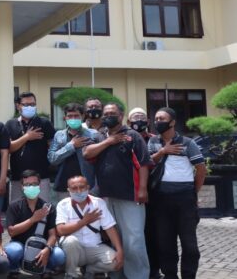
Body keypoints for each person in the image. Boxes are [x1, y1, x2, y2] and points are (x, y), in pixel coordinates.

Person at [83, 102, 152, 279]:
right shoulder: (99, 136)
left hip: (130, 196)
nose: (108, 116)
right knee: (115, 239)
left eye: (112, 113)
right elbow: (87, 153)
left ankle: (138, 275)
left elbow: (144, 164)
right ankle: (117, 275)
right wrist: (109, 141)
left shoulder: (133, 136)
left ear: (121, 116)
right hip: (106, 197)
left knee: (134, 240)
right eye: (105, 114)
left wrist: (143, 189)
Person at [148, 107, 206, 279]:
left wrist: (193, 192)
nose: (158, 122)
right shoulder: (153, 142)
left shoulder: (188, 143)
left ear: (172, 122)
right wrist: (163, 151)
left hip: (185, 199)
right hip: (160, 199)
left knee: (190, 244)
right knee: (165, 243)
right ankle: (170, 275)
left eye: (162, 119)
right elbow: (148, 163)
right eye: (156, 119)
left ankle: (189, 275)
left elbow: (201, 169)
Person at [56, 176, 123, 279]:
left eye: (82, 187)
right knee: (70, 241)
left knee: (116, 262)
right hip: (74, 250)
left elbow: (110, 227)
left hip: (94, 247)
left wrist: (119, 250)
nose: (78, 191)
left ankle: (90, 270)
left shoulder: (98, 203)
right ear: (68, 190)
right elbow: (61, 230)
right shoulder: (63, 204)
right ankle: (71, 274)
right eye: (74, 188)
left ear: (88, 187)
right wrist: (84, 221)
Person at [5, 170, 65, 278]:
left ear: (39, 185)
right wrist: (33, 219)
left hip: (41, 248)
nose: (31, 187)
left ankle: (45, 269)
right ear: (22, 187)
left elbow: (53, 235)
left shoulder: (48, 208)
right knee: (12, 251)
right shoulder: (14, 206)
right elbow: (12, 232)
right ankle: (14, 269)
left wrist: (47, 249)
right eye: (27, 184)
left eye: (34, 184)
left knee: (59, 255)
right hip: (21, 246)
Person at [127, 106, 160, 279]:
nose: (138, 120)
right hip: (131, 191)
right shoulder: (126, 139)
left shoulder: (155, 139)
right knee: (134, 233)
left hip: (153, 190)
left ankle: (154, 269)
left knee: (152, 231)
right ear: (128, 121)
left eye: (141, 117)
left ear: (147, 121)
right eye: (135, 117)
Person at [5, 91, 55, 203]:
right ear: (18, 106)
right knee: (17, 209)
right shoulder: (10, 124)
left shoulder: (44, 123)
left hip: (41, 177)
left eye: (32, 104)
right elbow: (9, 148)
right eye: (26, 105)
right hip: (18, 178)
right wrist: (27, 137)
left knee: (43, 208)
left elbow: (53, 147)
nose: (30, 107)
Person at [48, 103, 97, 200]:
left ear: (82, 116)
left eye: (76, 116)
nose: (73, 119)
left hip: (87, 185)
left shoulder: (93, 134)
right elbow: (52, 158)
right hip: (63, 186)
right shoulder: (59, 135)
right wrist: (71, 146)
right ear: (65, 118)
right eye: (70, 116)